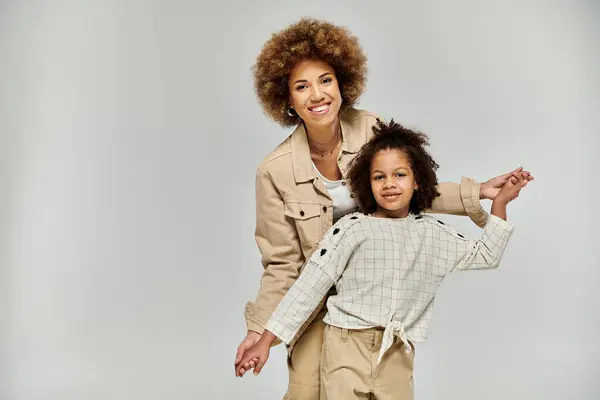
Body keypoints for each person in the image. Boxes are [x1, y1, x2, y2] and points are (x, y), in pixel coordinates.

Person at [235, 17, 533, 399]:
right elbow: (282, 265)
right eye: (301, 86)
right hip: (315, 297)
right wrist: (259, 331)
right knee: (306, 390)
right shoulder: (273, 172)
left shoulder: (369, 128)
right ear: (287, 100)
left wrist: (478, 194)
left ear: (342, 81)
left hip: (368, 294)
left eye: (325, 80)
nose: (317, 94)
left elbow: (403, 188)